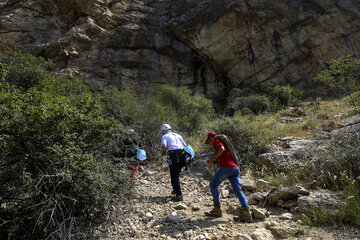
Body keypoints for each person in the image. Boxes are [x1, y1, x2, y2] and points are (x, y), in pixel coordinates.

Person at [204, 132, 252, 221]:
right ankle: (246, 213)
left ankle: (217, 210)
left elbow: (221, 149)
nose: (210, 144)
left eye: (209, 142)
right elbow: (224, 154)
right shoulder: (223, 142)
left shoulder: (216, 139)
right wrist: (215, 161)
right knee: (238, 191)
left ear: (210, 138)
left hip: (227, 167)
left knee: (213, 185)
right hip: (235, 168)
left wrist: (212, 158)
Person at [160, 123, 185, 201]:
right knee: (176, 172)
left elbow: (164, 146)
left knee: (174, 174)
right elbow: (184, 145)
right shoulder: (178, 135)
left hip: (173, 154)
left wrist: (164, 152)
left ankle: (179, 195)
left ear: (163, 130)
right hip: (183, 154)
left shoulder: (164, 136)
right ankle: (175, 189)